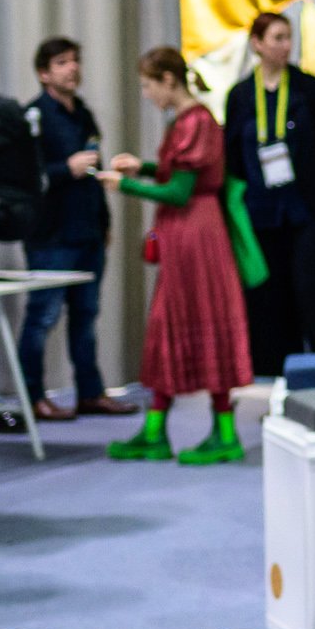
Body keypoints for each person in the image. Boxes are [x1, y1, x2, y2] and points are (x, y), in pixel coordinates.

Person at [98, 48, 255, 464]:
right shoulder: (191, 121)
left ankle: (214, 434)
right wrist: (144, 169)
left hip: (194, 235)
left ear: (169, 80)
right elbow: (181, 178)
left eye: (149, 85)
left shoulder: (195, 122)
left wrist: (125, 186)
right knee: (172, 327)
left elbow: (181, 191)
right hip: (190, 234)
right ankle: (165, 431)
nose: (147, 94)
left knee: (192, 322)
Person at [222, 10, 315, 377]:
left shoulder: (309, 89)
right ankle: (274, 374)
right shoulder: (241, 96)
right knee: (268, 297)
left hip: (305, 210)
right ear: (257, 44)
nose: (285, 45)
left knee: (309, 289)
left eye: (288, 37)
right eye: (276, 38)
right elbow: (231, 164)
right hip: (260, 212)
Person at [19, 38, 136, 420]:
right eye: (62, 62)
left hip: (87, 231)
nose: (72, 68)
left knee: (86, 317)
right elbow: (24, 177)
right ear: (43, 73)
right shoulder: (33, 116)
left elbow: (94, 174)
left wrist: (104, 222)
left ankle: (91, 392)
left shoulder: (83, 113)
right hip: (51, 235)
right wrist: (62, 170)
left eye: (75, 60)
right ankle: (32, 396)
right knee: (43, 318)